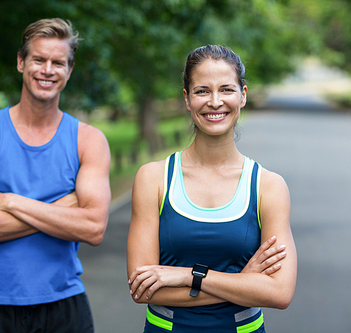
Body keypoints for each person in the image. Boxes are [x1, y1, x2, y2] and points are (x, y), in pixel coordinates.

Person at [0, 18, 111, 333]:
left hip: (63, 305)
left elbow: (93, 228)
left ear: (69, 70)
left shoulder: (88, 141)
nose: (47, 70)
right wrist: (63, 209)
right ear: (22, 62)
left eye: (58, 63)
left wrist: (10, 202)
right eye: (39, 59)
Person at [127, 45, 297, 332]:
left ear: (243, 95)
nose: (215, 102)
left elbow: (279, 293)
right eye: (202, 91)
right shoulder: (153, 178)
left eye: (226, 90)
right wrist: (243, 280)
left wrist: (186, 276)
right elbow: (143, 289)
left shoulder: (268, 186)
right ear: (187, 98)